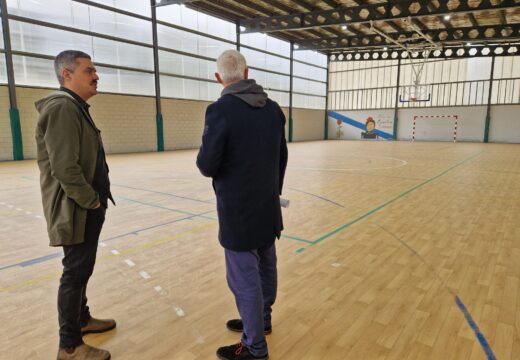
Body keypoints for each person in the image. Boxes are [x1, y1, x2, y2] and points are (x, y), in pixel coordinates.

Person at [197, 49, 288, 360]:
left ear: (219, 78)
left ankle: (254, 347)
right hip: (267, 206)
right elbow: (281, 158)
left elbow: (207, 164)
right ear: (247, 74)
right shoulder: (274, 110)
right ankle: (261, 321)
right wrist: (271, 191)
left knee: (243, 279)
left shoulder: (220, 110)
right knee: (266, 265)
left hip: (238, 212)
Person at [35, 50, 115, 360]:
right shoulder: (63, 108)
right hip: (76, 207)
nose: (96, 76)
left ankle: (81, 319)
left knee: (81, 268)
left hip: (84, 206)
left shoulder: (74, 107)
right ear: (66, 75)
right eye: (89, 71)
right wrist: (91, 201)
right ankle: (69, 346)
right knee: (75, 272)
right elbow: (65, 168)